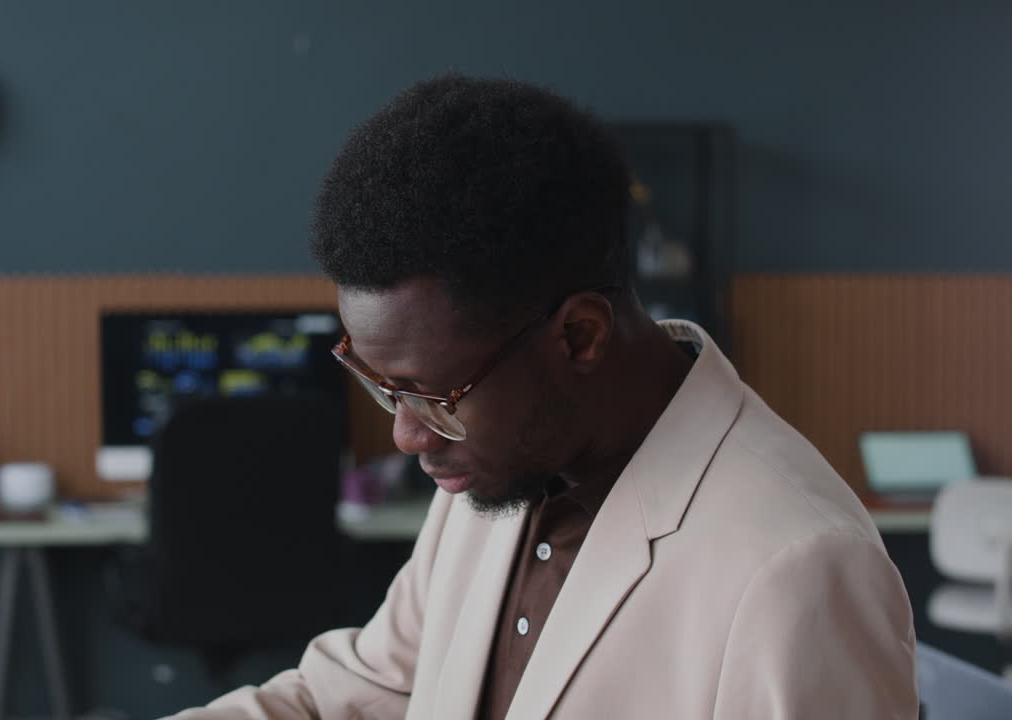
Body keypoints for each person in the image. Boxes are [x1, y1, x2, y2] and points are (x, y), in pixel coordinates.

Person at [166, 74, 917, 719]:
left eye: (430, 393)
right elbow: (364, 695)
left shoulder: (800, 567)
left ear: (580, 336)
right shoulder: (491, 464)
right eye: (382, 387)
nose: (406, 436)